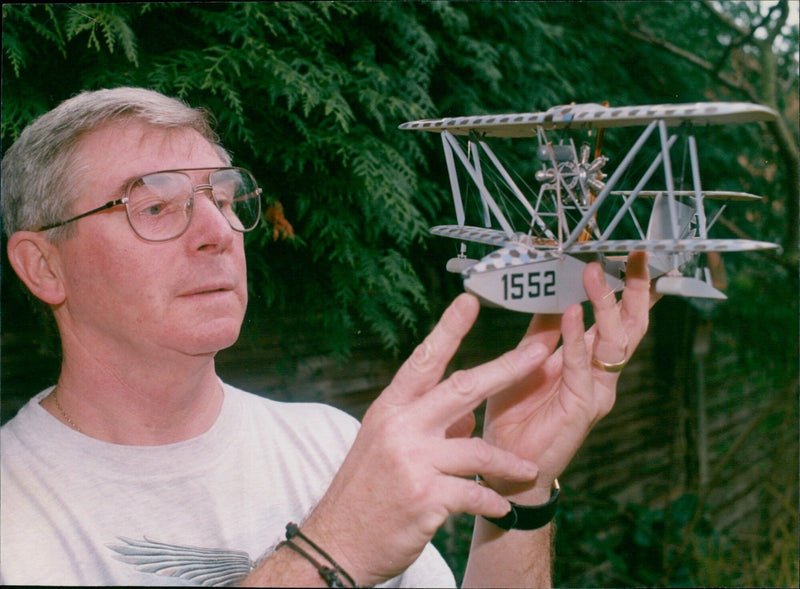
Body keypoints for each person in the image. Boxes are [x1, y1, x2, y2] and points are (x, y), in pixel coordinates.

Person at [0, 87, 653, 587]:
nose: (220, 232)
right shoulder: (16, 504)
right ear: (43, 266)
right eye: (154, 205)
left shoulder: (335, 444)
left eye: (224, 199)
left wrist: (520, 487)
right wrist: (330, 552)